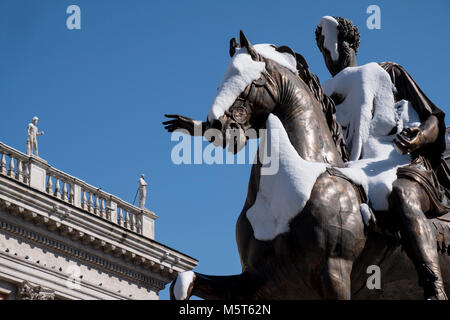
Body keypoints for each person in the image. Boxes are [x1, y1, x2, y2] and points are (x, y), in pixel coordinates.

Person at [315, 16, 449, 300]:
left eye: (336, 47)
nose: (332, 56)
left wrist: (418, 137)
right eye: (324, 52)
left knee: (401, 193)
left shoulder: (389, 72)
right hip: (355, 171)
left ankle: (434, 288)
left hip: (404, 165)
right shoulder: (326, 97)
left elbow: (433, 119)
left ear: (350, 45)